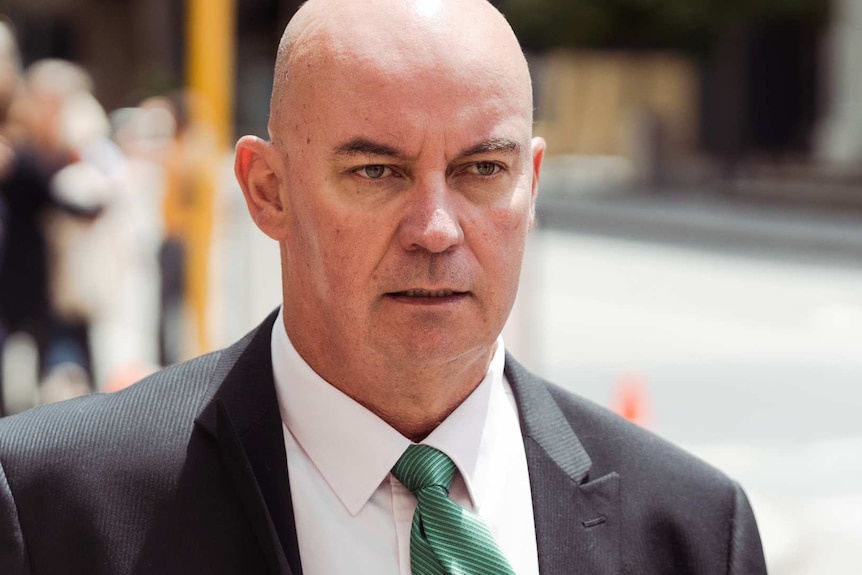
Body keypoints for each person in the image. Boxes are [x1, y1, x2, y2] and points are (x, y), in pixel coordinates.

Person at [0, 0, 767, 573]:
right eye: (376, 171)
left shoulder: (692, 531)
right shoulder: (55, 508)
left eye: (481, 170)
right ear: (268, 191)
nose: (436, 227)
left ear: (530, 186)